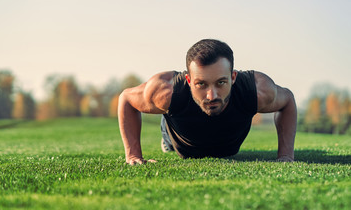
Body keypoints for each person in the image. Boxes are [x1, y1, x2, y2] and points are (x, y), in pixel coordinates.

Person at [118, 39, 297, 165]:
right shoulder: (167, 92)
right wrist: (133, 155)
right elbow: (126, 98)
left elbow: (287, 99)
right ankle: (167, 139)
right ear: (189, 81)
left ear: (233, 77)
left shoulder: (256, 91)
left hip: (228, 145)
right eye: (201, 84)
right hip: (178, 138)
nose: (212, 95)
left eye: (221, 82)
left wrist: (286, 155)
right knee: (169, 114)